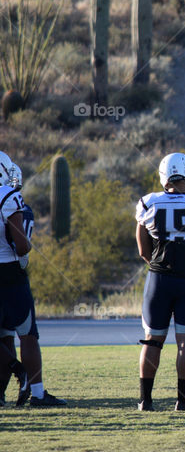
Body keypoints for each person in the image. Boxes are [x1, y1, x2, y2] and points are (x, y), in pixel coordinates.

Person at [134, 153, 185, 411]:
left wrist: (161, 267)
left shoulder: (149, 202)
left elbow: (143, 250)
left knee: (152, 340)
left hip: (158, 278)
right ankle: (182, 401)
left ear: (164, 176)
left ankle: (145, 401)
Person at [0, 158, 63, 407]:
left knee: (4, 336)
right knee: (27, 334)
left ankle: (1, 392)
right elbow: (21, 245)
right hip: (11, 272)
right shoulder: (9, 196)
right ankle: (36, 392)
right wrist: (24, 249)